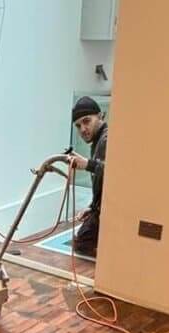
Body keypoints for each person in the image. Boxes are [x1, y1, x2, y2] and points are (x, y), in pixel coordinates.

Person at [68, 96, 109, 258]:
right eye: (78, 125)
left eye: (86, 121)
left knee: (82, 243)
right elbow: (102, 183)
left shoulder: (106, 139)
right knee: (81, 242)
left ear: (100, 116)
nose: (83, 129)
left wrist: (87, 164)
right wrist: (92, 207)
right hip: (102, 206)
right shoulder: (98, 141)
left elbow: (114, 174)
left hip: (112, 209)